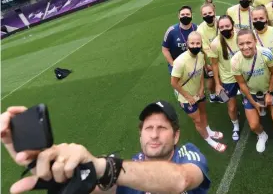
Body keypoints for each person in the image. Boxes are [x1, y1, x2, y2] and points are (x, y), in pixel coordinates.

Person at [1, 102, 211, 194]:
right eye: (148, 128)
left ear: (176, 136)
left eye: (162, 128)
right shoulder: (133, 166)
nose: (154, 135)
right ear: (140, 135)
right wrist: (68, 175)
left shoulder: (188, 153)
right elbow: (100, 188)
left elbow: (181, 179)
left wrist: (105, 167)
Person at [231, 29, 273, 152]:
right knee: (253, 125)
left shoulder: (266, 54)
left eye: (249, 42)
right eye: (241, 44)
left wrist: (269, 93)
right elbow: (241, 83)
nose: (245, 47)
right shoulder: (235, 61)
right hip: (251, 93)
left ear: (255, 41)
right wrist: (253, 102)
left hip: (270, 90)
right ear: (237, 45)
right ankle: (262, 135)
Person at [171, 31, 227, 152]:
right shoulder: (180, 62)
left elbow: (201, 72)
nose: (195, 46)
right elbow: (174, 83)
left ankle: (209, 131)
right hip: (186, 98)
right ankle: (209, 140)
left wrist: (202, 88)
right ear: (187, 44)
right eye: (192, 43)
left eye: (198, 43)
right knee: (197, 119)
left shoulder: (201, 56)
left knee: (203, 112)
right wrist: (188, 97)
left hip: (199, 93)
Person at [208, 15, 241, 141]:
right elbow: (214, 64)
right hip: (228, 79)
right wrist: (217, 84)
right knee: (231, 106)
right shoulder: (215, 44)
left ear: (233, 24)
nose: (225, 28)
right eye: (221, 27)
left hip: (244, 76)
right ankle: (235, 126)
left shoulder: (240, 36)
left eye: (227, 26)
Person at [197, 0, 223, 103]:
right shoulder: (200, 29)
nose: (208, 15)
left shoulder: (221, 20)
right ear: (202, 15)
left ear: (214, 12)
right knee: (211, 80)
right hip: (210, 60)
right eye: (205, 14)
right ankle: (212, 95)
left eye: (210, 13)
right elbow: (205, 48)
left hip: (225, 56)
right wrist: (212, 64)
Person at [162, 5, 198, 74]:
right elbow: (165, 49)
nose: (185, 16)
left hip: (193, 62)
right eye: (182, 14)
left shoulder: (197, 28)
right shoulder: (171, 31)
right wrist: (172, 64)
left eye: (187, 14)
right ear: (179, 17)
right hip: (177, 64)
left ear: (192, 16)